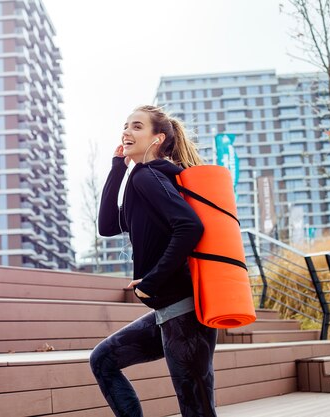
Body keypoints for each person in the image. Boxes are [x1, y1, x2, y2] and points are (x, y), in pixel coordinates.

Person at [90, 105, 217, 417]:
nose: (127, 132)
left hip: (184, 316)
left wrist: (152, 280)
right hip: (168, 313)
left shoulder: (148, 177)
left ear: (157, 138)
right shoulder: (143, 180)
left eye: (136, 127)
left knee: (197, 410)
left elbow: (190, 226)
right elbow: (108, 226)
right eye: (125, 126)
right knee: (103, 359)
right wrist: (118, 167)